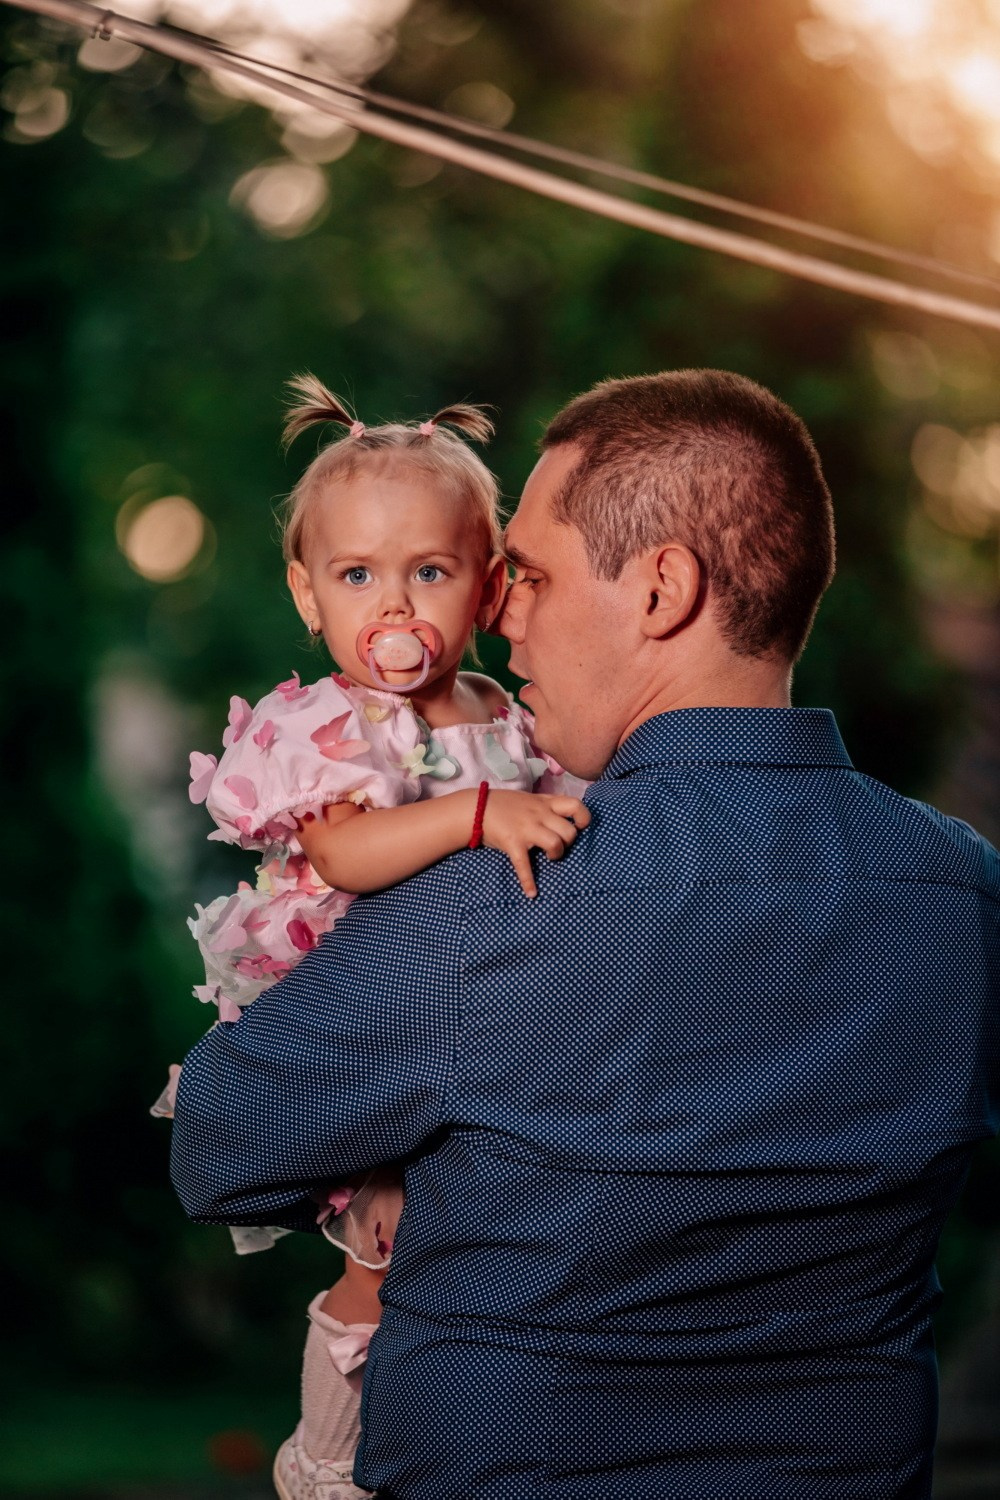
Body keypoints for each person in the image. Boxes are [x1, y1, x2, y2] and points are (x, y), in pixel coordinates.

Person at [172, 369, 1000, 1500]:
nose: (497, 609)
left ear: (661, 589)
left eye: (535, 576)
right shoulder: (964, 895)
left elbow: (222, 1144)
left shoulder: (490, 896)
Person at [170, 373, 588, 1499]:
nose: (393, 611)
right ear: (308, 595)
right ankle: (322, 1466)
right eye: (358, 576)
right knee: (379, 1259)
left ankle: (433, 1443)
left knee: (461, 1259)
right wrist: (481, 814)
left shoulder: (513, 715)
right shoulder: (333, 723)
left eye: (430, 572)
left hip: (489, 1027)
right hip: (364, 1034)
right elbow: (350, 857)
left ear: (487, 583)